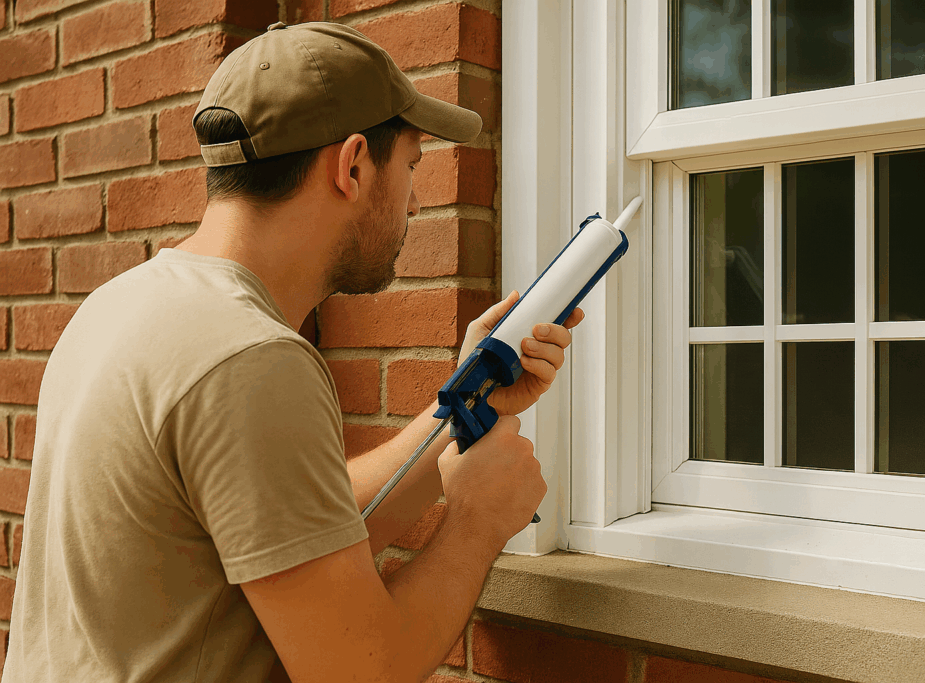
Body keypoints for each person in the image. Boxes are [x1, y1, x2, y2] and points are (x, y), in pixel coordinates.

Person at [3, 22, 581, 683]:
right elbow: (364, 670)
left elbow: (298, 528)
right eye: (411, 167)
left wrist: (465, 401)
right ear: (354, 164)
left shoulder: (122, 306)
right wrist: (476, 523)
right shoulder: (250, 359)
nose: (416, 200)